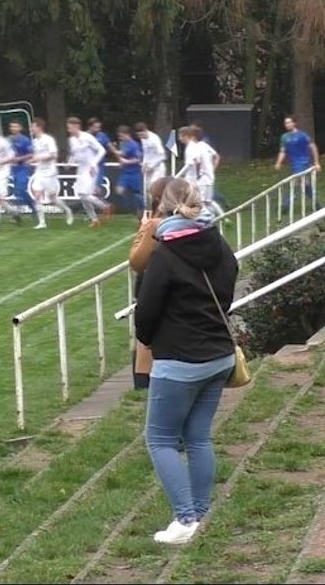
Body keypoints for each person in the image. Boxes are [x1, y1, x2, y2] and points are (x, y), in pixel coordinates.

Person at [133, 178, 239, 544]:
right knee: (197, 437)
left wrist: (150, 341)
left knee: (160, 439)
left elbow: (145, 312)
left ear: (161, 210)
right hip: (219, 355)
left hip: (180, 359)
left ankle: (185, 519)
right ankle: (201, 513)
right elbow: (229, 285)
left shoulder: (165, 254)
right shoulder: (219, 242)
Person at [128, 176, 175, 389]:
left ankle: (143, 382)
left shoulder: (156, 222)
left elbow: (137, 260)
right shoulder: (195, 220)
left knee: (146, 336)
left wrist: (144, 231)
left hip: (153, 281)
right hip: (174, 283)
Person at [67, 117, 111, 228]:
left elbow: (102, 150)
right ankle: (94, 219)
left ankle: (105, 206)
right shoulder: (71, 140)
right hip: (81, 169)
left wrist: (93, 164)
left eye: (70, 127)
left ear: (76, 126)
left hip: (91, 169)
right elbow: (73, 154)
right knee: (81, 195)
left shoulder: (87, 137)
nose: (68, 130)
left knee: (85, 194)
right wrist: (69, 163)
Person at [30, 118, 73, 229]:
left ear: (39, 127)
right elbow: (33, 156)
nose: (31, 129)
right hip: (39, 172)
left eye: (33, 126)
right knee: (37, 196)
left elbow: (54, 155)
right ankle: (42, 223)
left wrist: (40, 157)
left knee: (52, 198)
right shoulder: (34, 142)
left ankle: (67, 210)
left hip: (50, 172)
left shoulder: (48, 139)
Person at [274, 114, 322, 209]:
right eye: (285, 123)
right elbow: (283, 151)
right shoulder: (284, 137)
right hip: (294, 164)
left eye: (289, 122)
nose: (287, 125)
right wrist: (278, 162)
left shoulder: (302, 135)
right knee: (305, 184)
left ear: (294, 123)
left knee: (296, 182)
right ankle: (316, 203)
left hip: (303, 162)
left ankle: (285, 205)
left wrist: (316, 162)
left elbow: (313, 147)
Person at [175, 126, 219, 213]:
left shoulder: (191, 148)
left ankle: (207, 219)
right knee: (208, 202)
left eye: (180, 136)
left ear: (187, 136)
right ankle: (221, 218)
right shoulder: (202, 146)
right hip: (208, 178)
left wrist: (177, 176)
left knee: (200, 202)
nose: (179, 139)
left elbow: (192, 163)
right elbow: (216, 157)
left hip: (200, 179)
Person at [7, 120, 39, 222]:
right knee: (18, 192)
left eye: (16, 126)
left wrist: (19, 159)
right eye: (12, 126)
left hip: (23, 168)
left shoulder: (25, 140)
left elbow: (31, 154)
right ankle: (33, 208)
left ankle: (18, 214)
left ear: (20, 128)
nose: (13, 129)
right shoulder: (8, 140)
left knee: (20, 190)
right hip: (13, 169)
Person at [113, 125, 145, 215]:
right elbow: (122, 154)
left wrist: (127, 162)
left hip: (134, 173)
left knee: (137, 194)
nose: (120, 138)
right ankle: (133, 208)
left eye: (121, 136)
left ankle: (142, 210)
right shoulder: (124, 144)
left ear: (127, 134)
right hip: (125, 173)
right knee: (119, 190)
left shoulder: (134, 145)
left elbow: (139, 159)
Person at [135, 121, 168, 202]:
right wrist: (144, 164)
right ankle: (150, 207)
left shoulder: (154, 139)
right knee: (147, 189)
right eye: (139, 136)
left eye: (142, 134)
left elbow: (162, 155)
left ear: (145, 130)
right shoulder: (143, 140)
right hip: (148, 167)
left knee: (154, 186)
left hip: (158, 167)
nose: (141, 137)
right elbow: (146, 153)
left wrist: (152, 166)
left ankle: (163, 205)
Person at [87, 117, 112, 193]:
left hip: (99, 166)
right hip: (87, 166)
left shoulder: (102, 135)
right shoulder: (85, 136)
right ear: (90, 127)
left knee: (97, 188)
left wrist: (118, 155)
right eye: (96, 127)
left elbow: (110, 147)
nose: (98, 129)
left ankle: (101, 203)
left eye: (99, 127)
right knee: (87, 189)